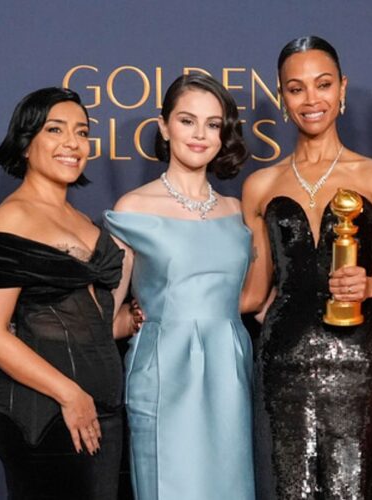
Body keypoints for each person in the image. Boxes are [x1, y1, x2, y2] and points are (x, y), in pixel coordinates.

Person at [241, 36, 372, 499]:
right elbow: (254, 295)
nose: (311, 99)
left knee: (354, 489)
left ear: (342, 90)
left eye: (323, 85)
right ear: (282, 98)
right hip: (282, 363)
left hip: (357, 361)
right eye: (296, 89)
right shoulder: (260, 186)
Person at [0, 87, 137, 499]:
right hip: (46, 416)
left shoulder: (81, 220)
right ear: (26, 143)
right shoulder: (12, 218)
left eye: (81, 132)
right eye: (55, 130)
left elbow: (85, 323)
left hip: (101, 413)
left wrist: (128, 319)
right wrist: (70, 394)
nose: (72, 144)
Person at [103, 73, 254, 500]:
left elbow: (254, 298)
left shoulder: (236, 210)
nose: (200, 134)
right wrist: (133, 322)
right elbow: (105, 314)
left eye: (212, 124)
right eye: (187, 121)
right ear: (165, 126)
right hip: (164, 369)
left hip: (230, 371)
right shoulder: (134, 207)